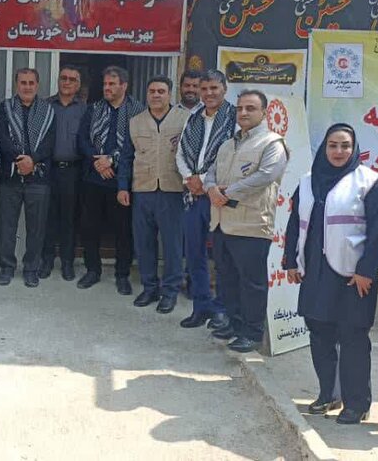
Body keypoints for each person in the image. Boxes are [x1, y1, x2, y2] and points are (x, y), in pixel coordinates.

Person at [283, 124, 378, 424]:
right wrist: (291, 262)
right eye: (333, 145)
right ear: (324, 148)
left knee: (353, 337)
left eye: (345, 145)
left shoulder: (370, 181)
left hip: (353, 276)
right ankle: (329, 394)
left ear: (354, 149)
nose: (339, 151)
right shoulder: (307, 181)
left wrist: (367, 270)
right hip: (315, 272)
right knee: (320, 334)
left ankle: (357, 403)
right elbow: (295, 223)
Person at [205, 89, 288, 353]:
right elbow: (210, 173)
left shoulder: (272, 144)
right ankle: (235, 324)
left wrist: (227, 193)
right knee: (227, 278)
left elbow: (265, 176)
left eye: (250, 108)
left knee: (252, 283)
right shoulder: (227, 144)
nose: (243, 113)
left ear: (264, 112)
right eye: (240, 108)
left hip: (252, 226)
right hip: (222, 223)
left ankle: (252, 333)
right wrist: (211, 189)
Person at [117, 77, 189, 312]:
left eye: (161, 91)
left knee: (172, 245)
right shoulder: (135, 122)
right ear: (146, 94)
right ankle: (149, 287)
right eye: (152, 91)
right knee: (143, 243)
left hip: (172, 190)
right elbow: (126, 157)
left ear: (170, 94)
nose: (156, 95)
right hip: (143, 189)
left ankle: (170, 291)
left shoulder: (184, 119)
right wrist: (122, 187)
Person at [77, 66, 145, 295]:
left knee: (123, 230)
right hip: (94, 178)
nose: (106, 88)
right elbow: (82, 139)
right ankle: (92, 270)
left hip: (122, 182)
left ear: (124, 86)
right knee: (90, 227)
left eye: (112, 84)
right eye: (105, 84)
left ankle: (122, 274)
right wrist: (97, 160)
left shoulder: (138, 112)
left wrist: (112, 160)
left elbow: (137, 144)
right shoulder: (94, 109)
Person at [175, 70, 235, 329]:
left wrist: (203, 180)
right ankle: (201, 306)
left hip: (219, 196)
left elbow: (230, 157)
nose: (209, 93)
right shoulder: (193, 117)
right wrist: (189, 178)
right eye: (204, 89)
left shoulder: (234, 118)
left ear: (224, 89)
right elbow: (180, 152)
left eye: (214, 88)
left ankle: (221, 309)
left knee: (221, 257)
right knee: (194, 254)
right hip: (193, 195)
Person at [0, 68, 55, 288]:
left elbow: (50, 142)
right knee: (7, 227)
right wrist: (20, 160)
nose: (27, 87)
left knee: (36, 229)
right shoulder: (5, 108)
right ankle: (7, 268)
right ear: (16, 85)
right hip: (10, 177)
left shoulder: (48, 110)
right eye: (23, 82)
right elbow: (1, 138)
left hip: (38, 178)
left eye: (31, 83)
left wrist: (33, 160)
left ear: (37, 85)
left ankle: (31, 269)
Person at [41, 65, 86, 281]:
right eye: (63, 78)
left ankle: (67, 262)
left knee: (69, 218)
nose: (67, 82)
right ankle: (47, 260)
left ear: (78, 85)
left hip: (73, 172)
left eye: (72, 79)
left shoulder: (85, 110)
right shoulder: (45, 106)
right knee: (48, 217)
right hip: (48, 169)